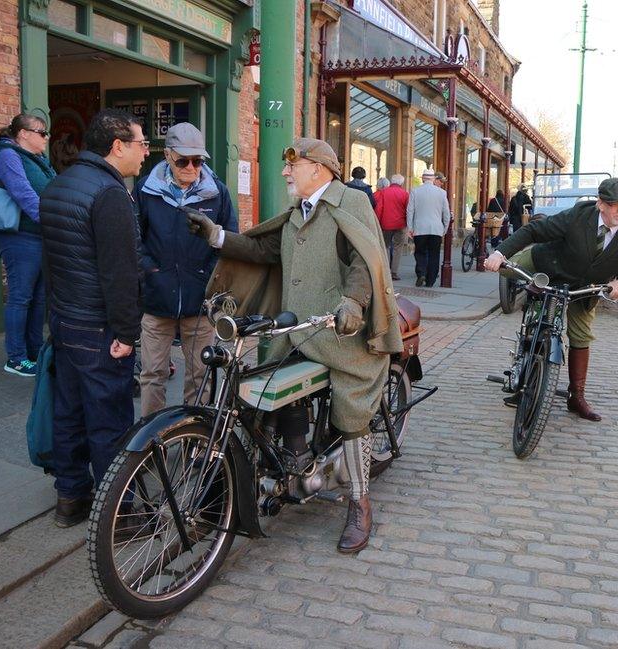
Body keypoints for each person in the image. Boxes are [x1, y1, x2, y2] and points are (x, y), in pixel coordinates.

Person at [186, 138, 402, 554]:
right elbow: (263, 250)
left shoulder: (350, 203)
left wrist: (354, 302)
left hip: (343, 334)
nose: (285, 173)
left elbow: (365, 261)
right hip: (297, 329)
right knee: (262, 391)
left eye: (292, 166)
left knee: (351, 409)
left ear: (318, 168)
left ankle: (359, 502)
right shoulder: (297, 213)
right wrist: (217, 236)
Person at [39, 109, 148, 527]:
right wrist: (126, 332)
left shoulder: (57, 186)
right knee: (109, 423)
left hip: (66, 321)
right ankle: (119, 514)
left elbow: (52, 264)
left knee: (68, 413)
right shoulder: (109, 193)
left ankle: (70, 499)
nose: (145, 153)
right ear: (117, 146)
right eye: (141, 144)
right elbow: (120, 273)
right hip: (99, 327)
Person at [483, 178, 618, 421]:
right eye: (616, 204)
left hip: (584, 289)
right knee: (506, 270)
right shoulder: (579, 215)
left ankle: (576, 397)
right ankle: (524, 370)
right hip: (550, 267)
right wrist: (500, 253)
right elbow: (534, 230)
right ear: (601, 204)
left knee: (581, 335)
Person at [134, 122, 238, 417]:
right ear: (167, 156)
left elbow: (230, 240)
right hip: (157, 299)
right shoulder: (145, 190)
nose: (191, 166)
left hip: (200, 300)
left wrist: (209, 276)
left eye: (198, 160)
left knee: (199, 374)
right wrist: (150, 271)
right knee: (153, 374)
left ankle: (196, 439)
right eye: (183, 160)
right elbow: (134, 239)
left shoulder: (217, 193)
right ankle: (152, 443)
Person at [0, 114, 57, 377]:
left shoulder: (37, 159)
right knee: (21, 296)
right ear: (24, 134)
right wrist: (53, 220)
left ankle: (34, 351)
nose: (46, 137)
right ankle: (15, 358)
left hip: (39, 235)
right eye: (41, 132)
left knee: (38, 297)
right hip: (20, 236)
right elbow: (24, 194)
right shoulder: (8, 155)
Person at [406, 169, 451, 287]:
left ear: (422, 178)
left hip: (419, 228)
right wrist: (445, 228)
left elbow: (410, 211)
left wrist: (410, 227)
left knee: (420, 252)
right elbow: (446, 213)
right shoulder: (442, 193)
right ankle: (430, 280)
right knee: (434, 254)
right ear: (433, 179)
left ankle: (421, 273)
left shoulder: (415, 191)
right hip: (436, 229)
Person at [374, 173, 409, 280]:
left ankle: (385, 271)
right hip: (400, 224)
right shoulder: (405, 194)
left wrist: (377, 222)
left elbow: (379, 208)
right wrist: (408, 224)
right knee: (398, 248)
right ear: (402, 183)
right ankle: (394, 272)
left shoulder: (384, 192)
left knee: (385, 246)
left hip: (386, 224)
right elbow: (408, 210)